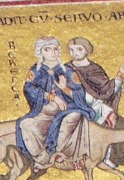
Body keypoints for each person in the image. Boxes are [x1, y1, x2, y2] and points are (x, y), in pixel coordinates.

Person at [16, 36, 95, 170]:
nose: (52, 52)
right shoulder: (36, 71)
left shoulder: (68, 71)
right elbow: (29, 88)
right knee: (25, 124)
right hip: (44, 111)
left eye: (55, 49)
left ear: (59, 51)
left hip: (67, 109)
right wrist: (51, 97)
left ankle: (60, 154)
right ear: (40, 53)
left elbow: (79, 92)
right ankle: (44, 159)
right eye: (47, 49)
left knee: (73, 117)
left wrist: (64, 88)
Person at [64, 37, 124, 165]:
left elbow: (106, 89)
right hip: (79, 105)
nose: (75, 53)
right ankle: (106, 157)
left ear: (87, 50)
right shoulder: (67, 69)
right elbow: (70, 91)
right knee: (115, 124)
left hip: (98, 105)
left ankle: (116, 156)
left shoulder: (95, 68)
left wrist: (119, 78)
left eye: (79, 49)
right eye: (71, 50)